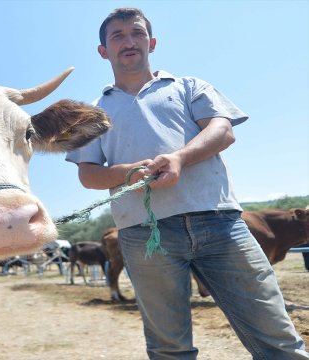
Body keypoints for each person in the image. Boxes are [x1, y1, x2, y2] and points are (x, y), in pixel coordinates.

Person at [66, 8, 309, 360]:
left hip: (221, 223)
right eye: (116, 36)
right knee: (170, 348)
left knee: (276, 337)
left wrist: (179, 158)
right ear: (103, 51)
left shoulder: (188, 86)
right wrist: (127, 173)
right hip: (143, 233)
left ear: (151, 43)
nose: (128, 41)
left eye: (136, 33)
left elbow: (222, 130)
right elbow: (88, 174)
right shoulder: (90, 112)